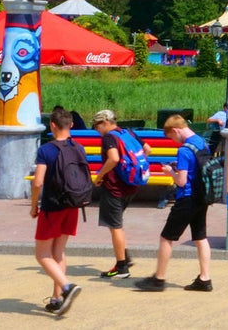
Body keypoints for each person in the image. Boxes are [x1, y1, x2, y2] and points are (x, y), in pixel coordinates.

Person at [135, 114, 213, 292]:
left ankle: (158, 279)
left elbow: (182, 181)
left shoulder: (184, 150)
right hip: (202, 196)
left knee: (166, 238)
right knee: (200, 237)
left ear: (176, 130)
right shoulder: (202, 142)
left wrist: (170, 171)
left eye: (172, 137)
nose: (174, 141)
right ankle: (205, 278)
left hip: (186, 198)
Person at [31, 107, 83, 315]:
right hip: (73, 204)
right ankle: (56, 298)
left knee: (42, 254)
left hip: (53, 206)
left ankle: (68, 287)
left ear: (52, 125)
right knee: (58, 252)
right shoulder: (78, 147)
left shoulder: (47, 150)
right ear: (71, 125)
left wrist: (35, 205)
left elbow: (37, 183)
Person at [91, 109, 149, 278]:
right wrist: (134, 169)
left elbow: (114, 158)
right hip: (132, 186)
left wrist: (99, 176)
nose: (96, 130)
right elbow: (147, 149)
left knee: (115, 226)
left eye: (96, 126)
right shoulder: (128, 132)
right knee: (115, 223)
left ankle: (122, 266)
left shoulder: (109, 137)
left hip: (115, 187)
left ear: (105, 122)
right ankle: (124, 256)